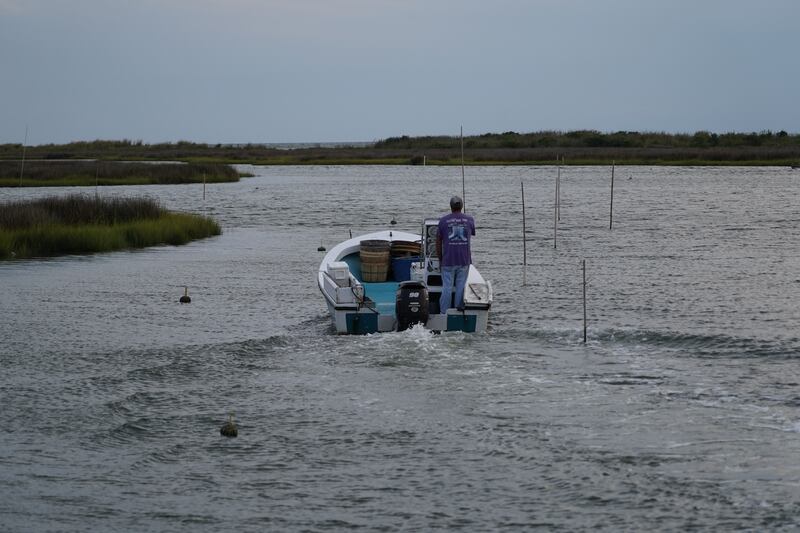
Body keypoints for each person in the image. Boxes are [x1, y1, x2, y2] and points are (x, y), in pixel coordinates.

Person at [436, 195, 475, 313]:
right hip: (464, 260)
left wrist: (440, 259)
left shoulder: (443, 221)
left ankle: (444, 312)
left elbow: (438, 241)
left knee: (446, 287)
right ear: (462, 206)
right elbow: (471, 233)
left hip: (448, 260)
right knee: (461, 287)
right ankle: (458, 310)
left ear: (451, 206)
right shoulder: (469, 220)